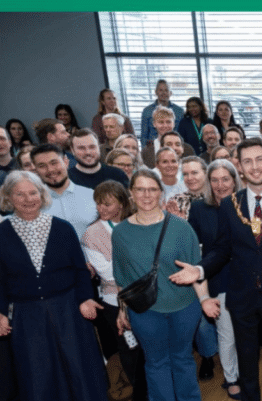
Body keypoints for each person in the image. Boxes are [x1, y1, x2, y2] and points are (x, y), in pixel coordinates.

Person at [170, 138, 262, 401]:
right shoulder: (229, 205)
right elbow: (221, 250)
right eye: (247, 161)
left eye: (259, 159)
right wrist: (200, 270)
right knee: (247, 358)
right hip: (242, 296)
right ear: (239, 167)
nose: (254, 167)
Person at [0, 170, 108, 401]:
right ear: (8, 197)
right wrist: (0, 312)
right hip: (26, 315)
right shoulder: (2, 233)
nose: (28, 199)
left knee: (79, 370)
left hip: (68, 310)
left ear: (42, 194)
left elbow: (80, 270)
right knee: (38, 374)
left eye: (33, 193)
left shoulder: (62, 228)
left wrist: (86, 298)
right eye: (20, 194)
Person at [113, 169, 204, 401]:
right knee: (155, 363)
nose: (146, 195)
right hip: (145, 311)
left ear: (161, 193)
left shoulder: (181, 227)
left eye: (152, 189)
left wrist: (205, 301)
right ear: (131, 193)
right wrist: (122, 310)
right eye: (140, 189)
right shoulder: (120, 233)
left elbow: (197, 270)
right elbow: (122, 277)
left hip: (184, 306)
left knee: (183, 359)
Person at [81, 180, 147, 401]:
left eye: (107, 204)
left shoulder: (138, 222)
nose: (101, 208)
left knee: (150, 346)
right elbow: (109, 273)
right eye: (98, 203)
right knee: (129, 349)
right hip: (114, 301)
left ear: (121, 203)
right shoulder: (92, 233)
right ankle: (140, 394)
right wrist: (139, 263)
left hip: (147, 297)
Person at [186, 159, 243, 400]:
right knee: (226, 333)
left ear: (234, 180)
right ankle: (231, 378)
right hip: (217, 278)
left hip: (246, 278)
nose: (220, 185)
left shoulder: (247, 204)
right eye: (215, 180)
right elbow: (193, 248)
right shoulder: (199, 209)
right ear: (209, 183)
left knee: (246, 333)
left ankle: (246, 373)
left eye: (225, 179)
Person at [164, 156, 220, 383]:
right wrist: (177, 224)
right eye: (185, 174)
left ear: (205, 173)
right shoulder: (176, 201)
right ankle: (207, 356)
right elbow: (170, 241)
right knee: (201, 317)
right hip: (190, 267)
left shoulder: (217, 196)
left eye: (194, 172)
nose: (190, 178)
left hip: (218, 263)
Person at [31, 144, 98, 238]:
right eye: (42, 166)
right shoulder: (31, 204)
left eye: (54, 163)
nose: (50, 170)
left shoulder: (92, 196)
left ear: (66, 162)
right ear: (36, 170)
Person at [140, 79, 185, 146]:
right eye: (161, 90)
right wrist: (147, 151)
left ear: (170, 93)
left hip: (174, 146)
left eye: (166, 90)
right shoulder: (147, 111)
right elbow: (144, 136)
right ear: (156, 92)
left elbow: (183, 134)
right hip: (153, 147)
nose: (164, 93)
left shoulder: (179, 111)